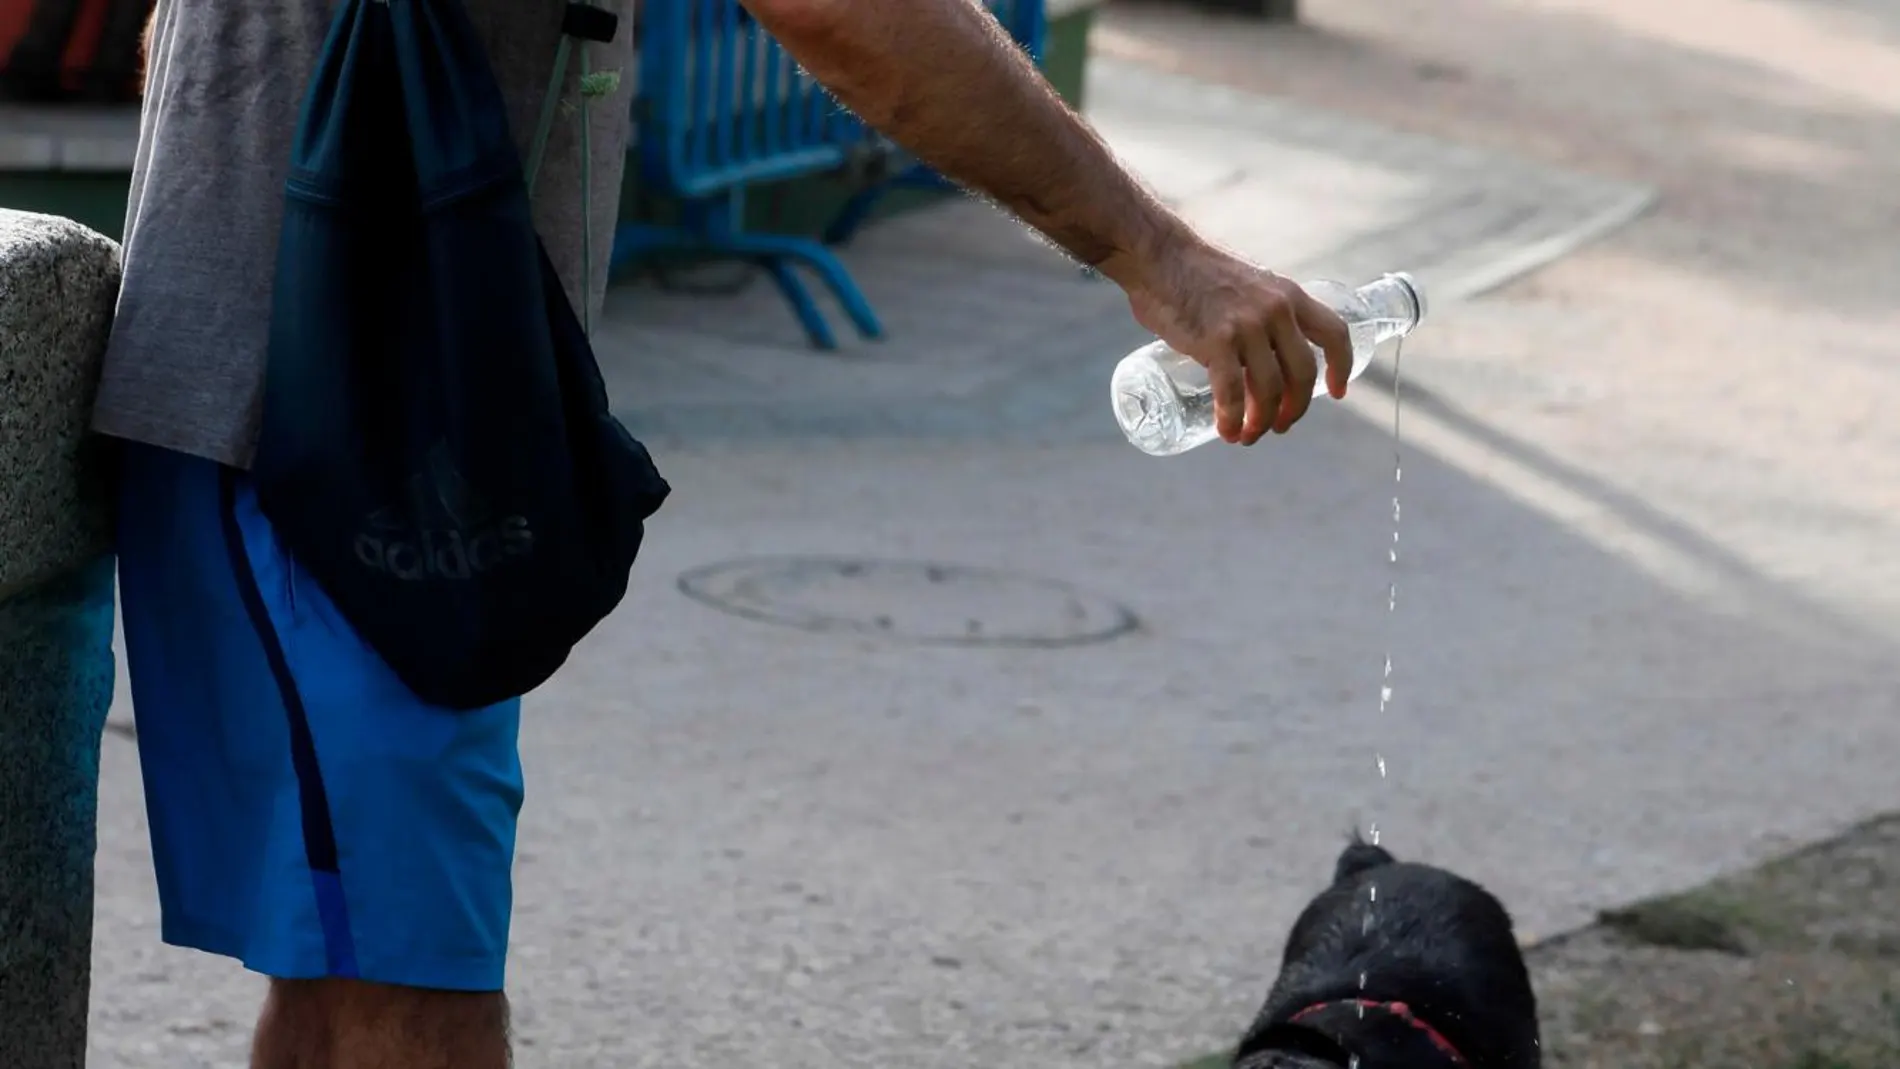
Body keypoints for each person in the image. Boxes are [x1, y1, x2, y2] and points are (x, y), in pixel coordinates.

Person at [94, 0, 1354, 1066]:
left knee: (359, 980)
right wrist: (1164, 255)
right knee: (414, 998)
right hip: (322, 433)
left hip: (383, 419)